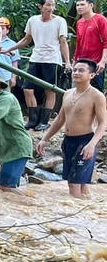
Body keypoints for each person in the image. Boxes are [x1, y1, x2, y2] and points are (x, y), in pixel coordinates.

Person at [37, 59, 106, 198]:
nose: (76, 73)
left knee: (74, 184)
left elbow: (103, 123)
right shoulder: (68, 93)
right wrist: (45, 138)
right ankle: (88, 210)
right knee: (79, 183)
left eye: (81, 70)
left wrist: (91, 145)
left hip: (85, 141)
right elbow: (60, 120)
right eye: (75, 70)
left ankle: (73, 215)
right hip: (68, 141)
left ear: (91, 75)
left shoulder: (97, 96)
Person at [7, 0, 72, 129]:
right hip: (35, 58)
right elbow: (26, 39)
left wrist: (67, 62)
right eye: (48, 5)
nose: (51, 8)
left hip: (52, 60)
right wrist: (9, 49)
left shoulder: (60, 21)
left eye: (53, 5)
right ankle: (32, 119)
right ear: (40, 6)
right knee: (27, 89)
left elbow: (63, 41)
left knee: (50, 90)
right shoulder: (33, 20)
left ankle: (44, 121)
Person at [74, 0, 107, 91]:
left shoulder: (100, 19)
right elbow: (79, 43)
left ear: (91, 5)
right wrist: (75, 61)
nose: (79, 7)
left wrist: (103, 61)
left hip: (96, 62)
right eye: (77, 5)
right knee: (81, 89)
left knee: (95, 90)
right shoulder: (79, 22)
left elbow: (106, 41)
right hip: (82, 61)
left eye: (82, 4)